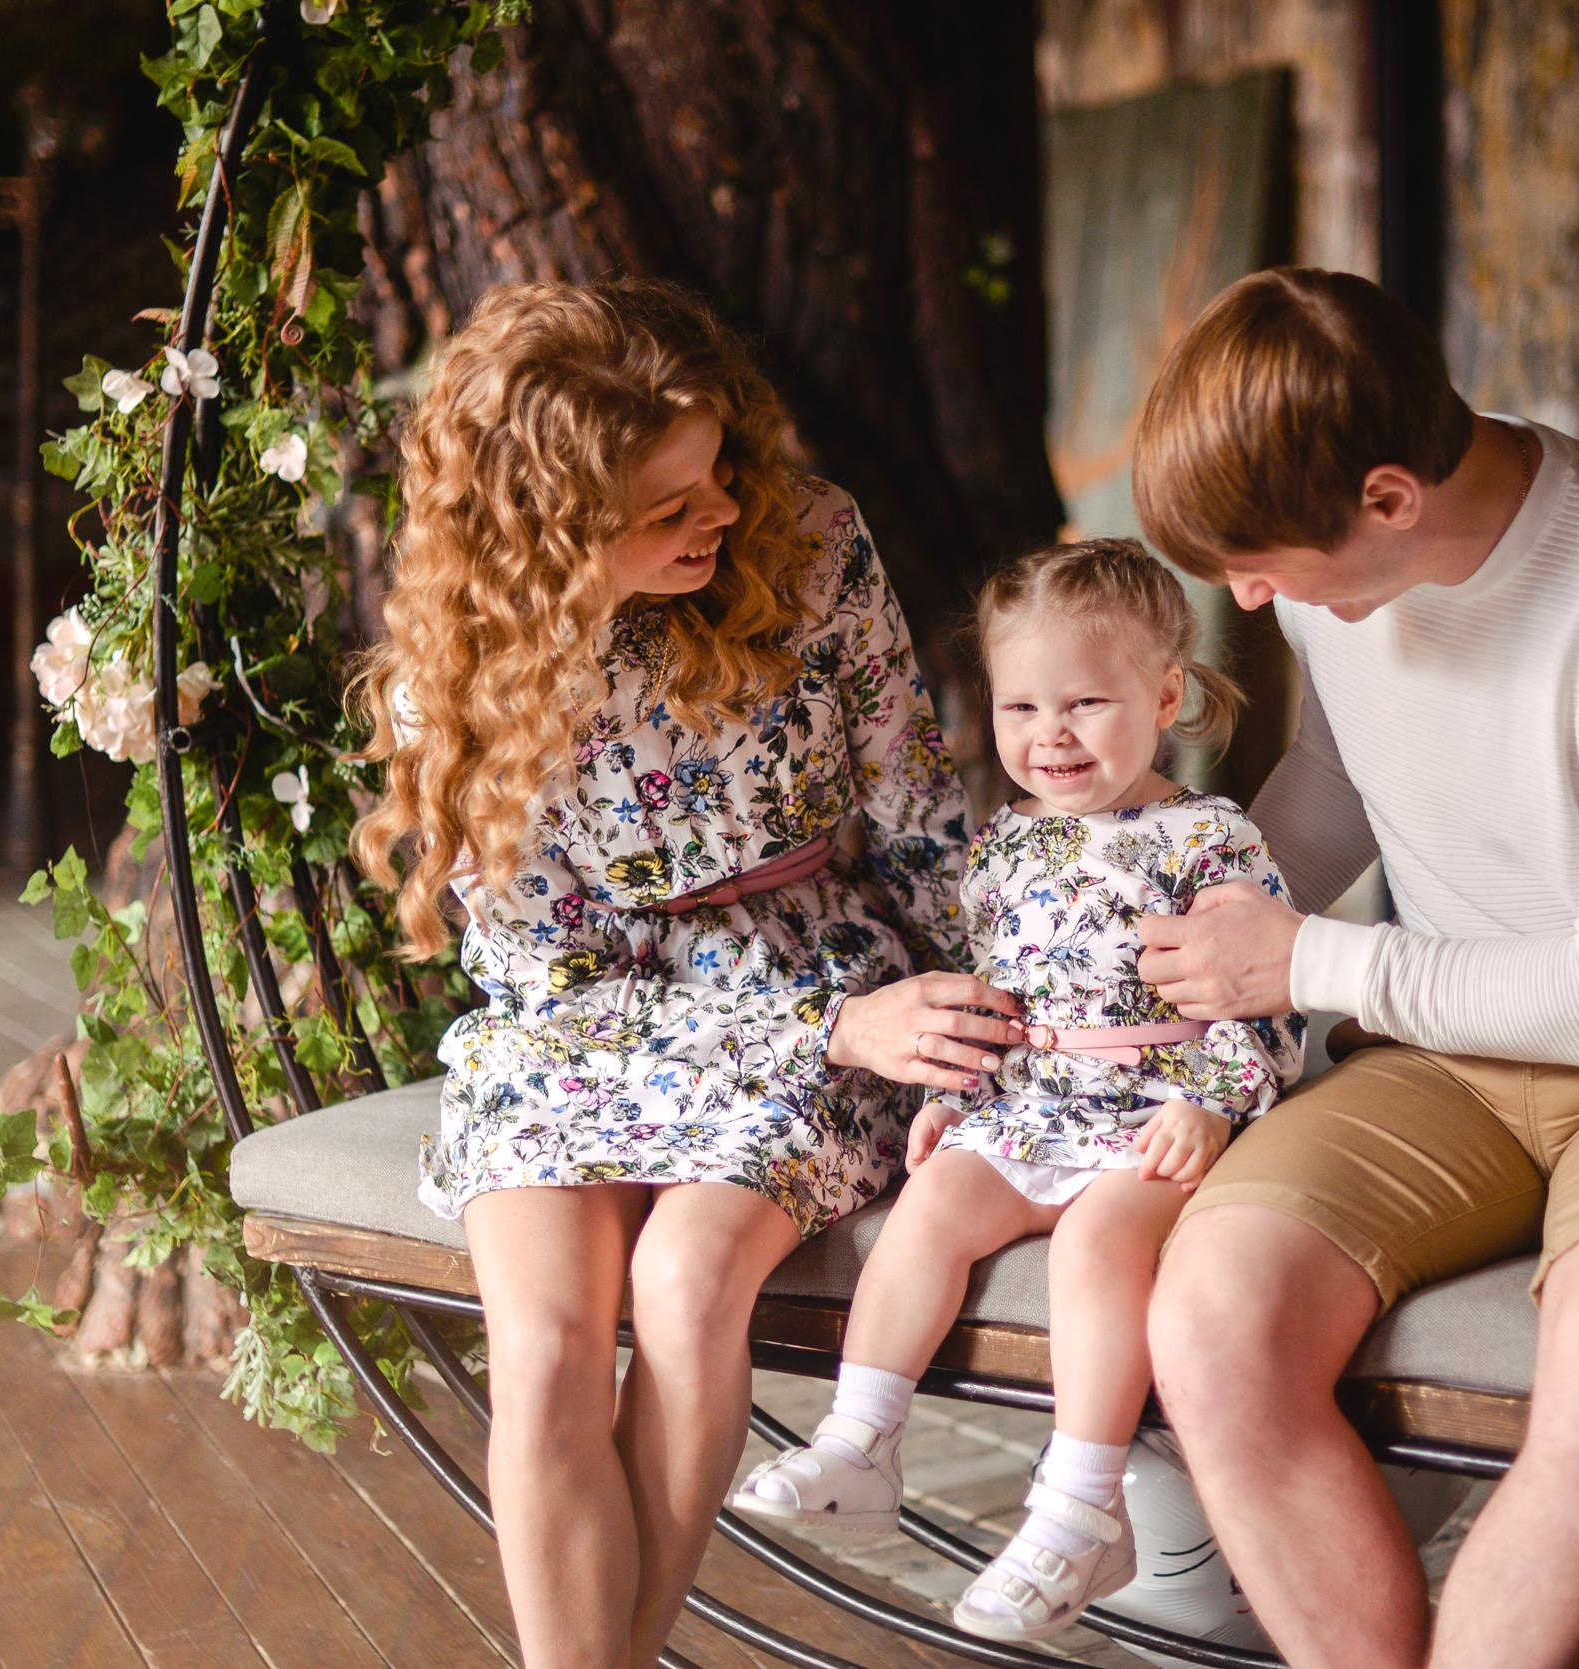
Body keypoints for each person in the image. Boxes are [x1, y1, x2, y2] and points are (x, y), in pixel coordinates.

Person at [1126, 268, 1579, 1669]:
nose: (1248, 598)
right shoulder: (1330, 559)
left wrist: (1305, 958)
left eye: (1261, 566)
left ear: (1389, 498)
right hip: (1436, 1064)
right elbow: (1339, 775)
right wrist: (1174, 926)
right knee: (1212, 1323)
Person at [350, 275, 1026, 1669]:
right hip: (588, 1023)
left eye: (717, 469)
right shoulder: (457, 681)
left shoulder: (811, 542)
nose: (719, 511)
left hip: (821, 969)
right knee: (543, 1353)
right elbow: (557, 981)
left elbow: (916, 816)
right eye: (667, 507)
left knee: (686, 1284)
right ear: (550, 532)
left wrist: (991, 1015)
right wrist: (832, 1026)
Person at [727, 539, 1305, 1643]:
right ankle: (861, 1440)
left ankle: (1082, 1505)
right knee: (934, 1201)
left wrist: (1213, 1099)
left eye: (1087, 702)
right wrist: (962, 1085)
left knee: (1097, 1245)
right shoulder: (1001, 844)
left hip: (1152, 1107)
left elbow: (1264, 993)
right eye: (1022, 706)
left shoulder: (1206, 835)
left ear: (1165, 696)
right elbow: (1000, 986)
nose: (1053, 734)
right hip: (1029, 1102)